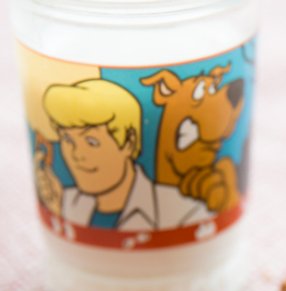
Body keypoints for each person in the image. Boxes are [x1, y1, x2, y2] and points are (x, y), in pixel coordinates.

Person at [34, 78, 211, 231]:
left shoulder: (186, 213)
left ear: (129, 142)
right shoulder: (66, 201)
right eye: (67, 140)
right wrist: (57, 209)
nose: (77, 155)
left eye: (91, 142)